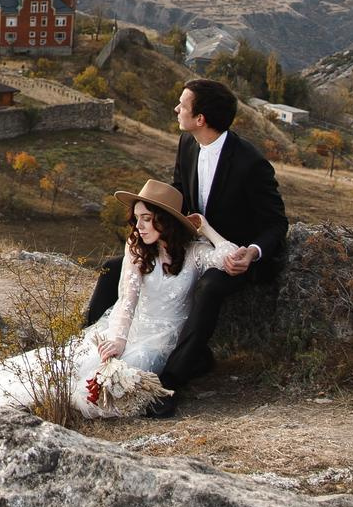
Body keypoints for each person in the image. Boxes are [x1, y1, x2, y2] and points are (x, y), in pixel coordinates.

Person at [0, 179, 248, 422]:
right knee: (77, 367)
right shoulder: (137, 249)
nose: (139, 227)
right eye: (137, 219)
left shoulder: (194, 254)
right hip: (131, 329)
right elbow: (126, 300)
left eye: (147, 219)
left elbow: (230, 257)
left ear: (165, 221)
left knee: (102, 389)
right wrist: (117, 339)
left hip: (163, 340)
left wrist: (205, 228)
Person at [80, 76, 290, 413]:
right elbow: (178, 193)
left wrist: (252, 252)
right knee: (112, 267)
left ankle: (173, 380)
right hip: (185, 244)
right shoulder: (187, 143)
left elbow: (276, 222)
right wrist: (157, 232)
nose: (176, 109)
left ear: (201, 118)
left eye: (183, 105)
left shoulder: (250, 162)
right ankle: (91, 340)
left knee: (208, 288)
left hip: (231, 255)